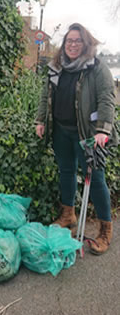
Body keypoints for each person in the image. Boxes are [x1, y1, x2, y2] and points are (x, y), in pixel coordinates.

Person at [35, 23, 118, 255]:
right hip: (61, 130)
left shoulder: (97, 68)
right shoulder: (57, 66)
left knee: (96, 179)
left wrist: (103, 130)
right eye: (69, 41)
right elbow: (46, 95)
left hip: (87, 135)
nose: (72, 45)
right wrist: (40, 120)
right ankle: (68, 215)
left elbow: (107, 99)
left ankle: (105, 229)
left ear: (86, 43)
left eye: (77, 41)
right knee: (66, 172)